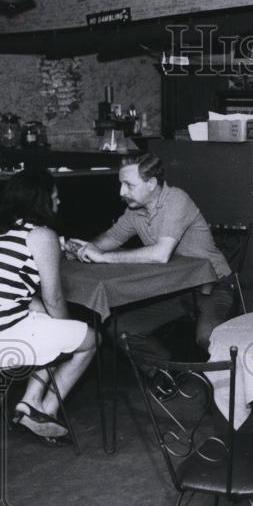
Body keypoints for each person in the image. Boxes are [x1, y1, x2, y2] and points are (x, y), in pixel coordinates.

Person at [0, 168, 96, 442]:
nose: (59, 202)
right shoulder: (41, 234)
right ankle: (47, 410)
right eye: (54, 196)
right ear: (41, 201)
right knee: (89, 339)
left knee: (42, 318)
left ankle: (28, 405)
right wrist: (69, 328)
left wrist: (49, 319)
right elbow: (54, 298)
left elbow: (14, 292)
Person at [72, 154, 234, 391]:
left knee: (207, 336)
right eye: (120, 184)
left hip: (214, 285)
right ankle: (169, 375)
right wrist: (86, 248)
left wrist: (104, 257)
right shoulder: (135, 209)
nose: (121, 192)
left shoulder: (177, 200)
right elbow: (113, 237)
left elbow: (160, 254)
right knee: (119, 329)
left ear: (151, 184)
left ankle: (232, 397)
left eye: (128, 185)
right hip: (178, 290)